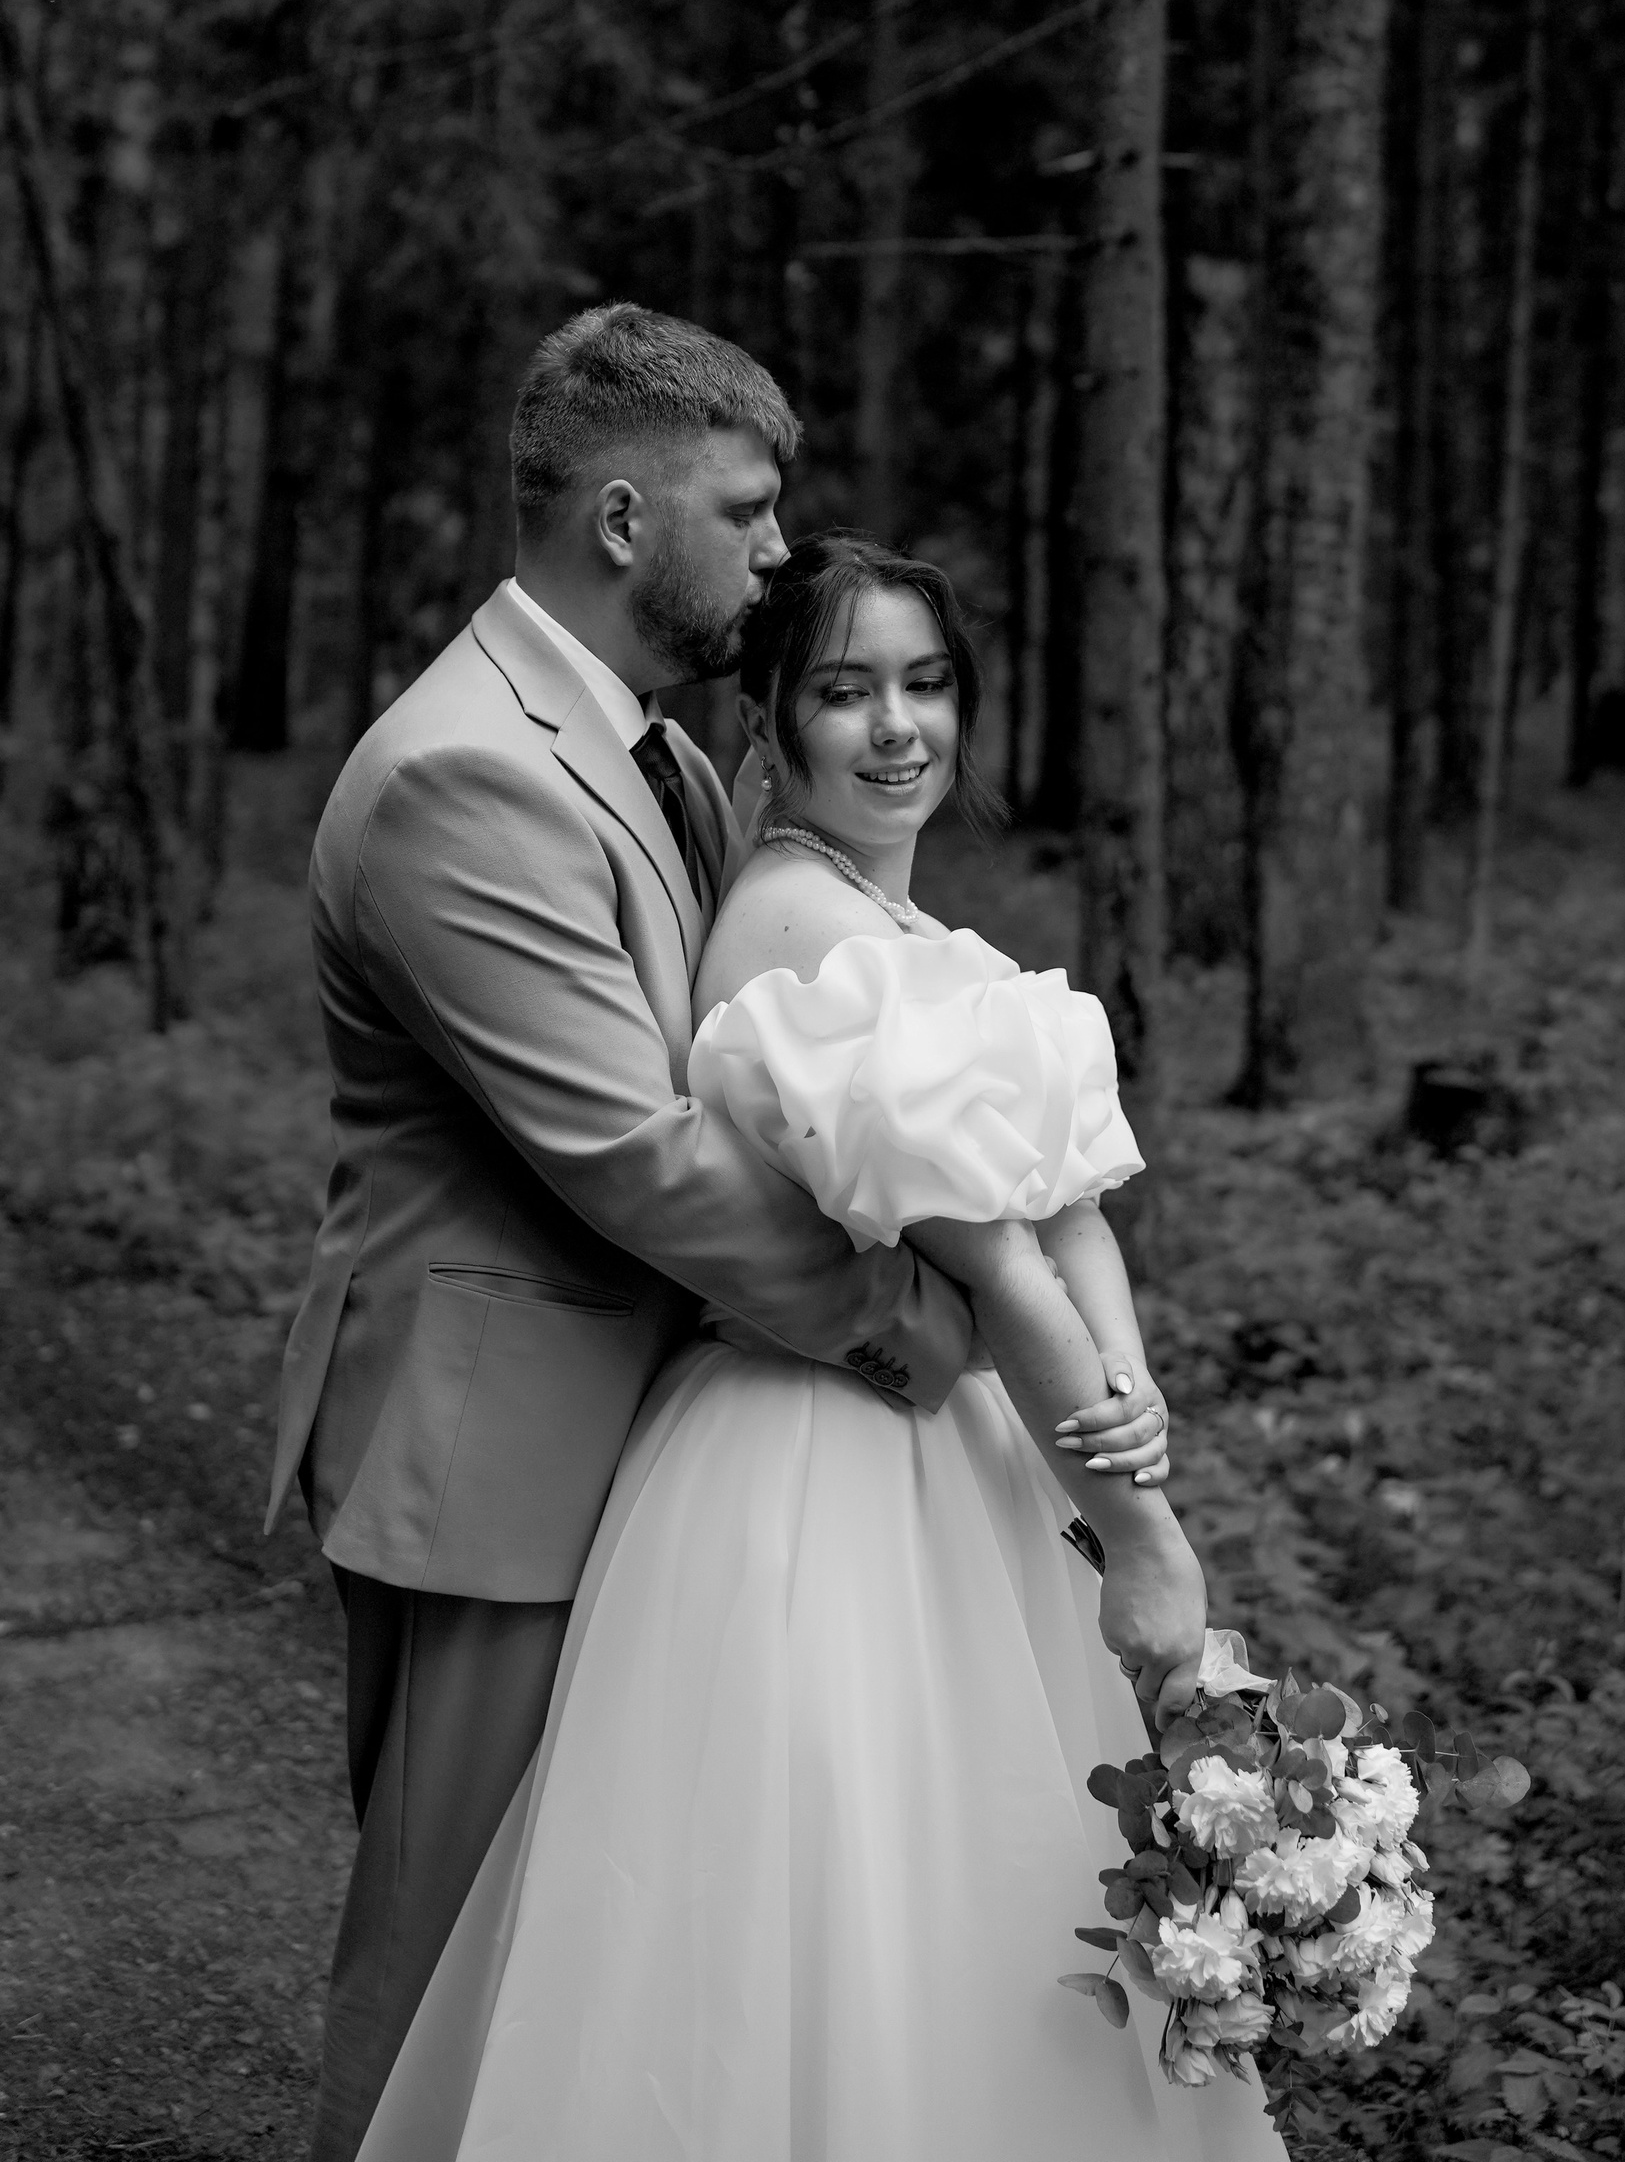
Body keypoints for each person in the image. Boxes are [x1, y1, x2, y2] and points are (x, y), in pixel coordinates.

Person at [269, 309, 1162, 2162]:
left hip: (646, 1411)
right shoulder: (466, 772)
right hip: (495, 1445)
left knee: (615, 1959)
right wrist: (920, 1326)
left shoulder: (654, 754)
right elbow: (637, 1152)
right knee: (448, 1972)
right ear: (623, 518)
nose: (774, 550)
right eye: (746, 511)